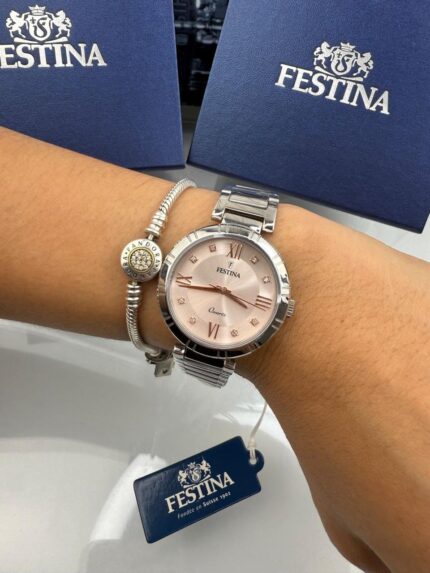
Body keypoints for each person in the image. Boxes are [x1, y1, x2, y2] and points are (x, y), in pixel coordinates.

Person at [0, 127, 429, 573]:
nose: (222, 289)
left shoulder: (258, 303)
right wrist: (312, 284)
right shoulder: (186, 276)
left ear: (283, 307)